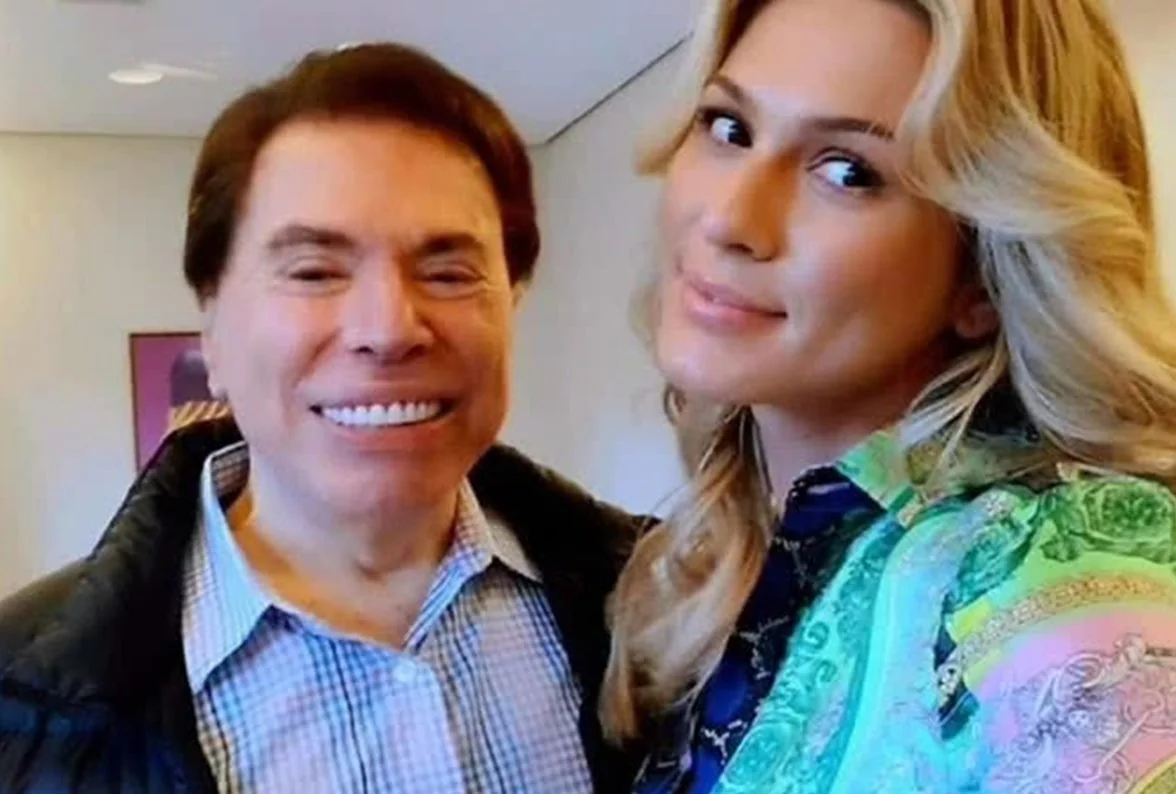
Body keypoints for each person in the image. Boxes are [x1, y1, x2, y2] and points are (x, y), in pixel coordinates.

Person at [0, 43, 639, 793]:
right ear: (212, 328)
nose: (389, 328)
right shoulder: (23, 711)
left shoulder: (665, 611)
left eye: (447, 272)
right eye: (314, 272)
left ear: (513, 304)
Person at [601, 0, 1176, 791]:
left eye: (848, 172)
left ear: (983, 271)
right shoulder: (713, 572)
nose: (728, 218)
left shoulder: (1047, 578)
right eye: (729, 128)